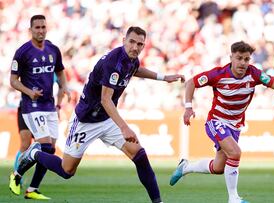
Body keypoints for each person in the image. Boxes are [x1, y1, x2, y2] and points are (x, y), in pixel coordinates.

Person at [16, 26, 185, 203]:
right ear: (123, 40)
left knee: (140, 155)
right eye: (132, 42)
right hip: (85, 120)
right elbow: (106, 99)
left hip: (106, 118)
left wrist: (163, 77)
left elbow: (135, 70)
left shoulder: (132, 59)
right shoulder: (113, 62)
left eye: (140, 44)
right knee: (67, 171)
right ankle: (35, 154)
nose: (135, 47)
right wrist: (124, 127)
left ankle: (158, 202)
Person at [169, 41, 274, 203]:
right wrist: (188, 107)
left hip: (235, 126)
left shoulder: (255, 74)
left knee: (218, 168)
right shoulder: (218, 74)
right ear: (231, 57)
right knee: (235, 152)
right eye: (239, 58)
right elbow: (191, 83)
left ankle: (186, 167)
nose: (243, 63)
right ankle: (234, 198)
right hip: (216, 121)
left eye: (246, 59)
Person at [9, 14, 70, 200]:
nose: (41, 30)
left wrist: (64, 86)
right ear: (31, 30)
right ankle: (16, 175)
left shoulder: (53, 49)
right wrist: (29, 91)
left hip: (49, 105)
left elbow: (60, 71)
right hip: (31, 105)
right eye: (37, 28)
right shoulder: (22, 52)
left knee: (50, 150)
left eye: (43, 27)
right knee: (43, 146)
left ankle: (32, 189)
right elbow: (13, 81)